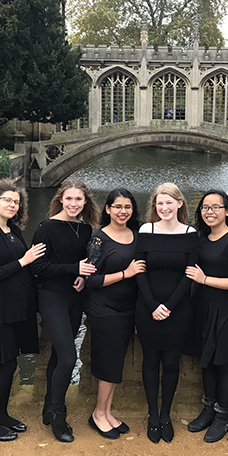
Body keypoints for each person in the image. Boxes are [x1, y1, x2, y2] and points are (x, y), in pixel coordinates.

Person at [0, 180, 45, 442]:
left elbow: (24, 268)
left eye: (16, 202)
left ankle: (1, 414)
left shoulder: (12, 231)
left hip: (18, 307)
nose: (12, 205)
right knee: (4, 365)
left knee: (12, 363)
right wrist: (23, 261)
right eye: (7, 200)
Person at [31, 180, 100, 443]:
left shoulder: (85, 230)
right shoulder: (46, 228)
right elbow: (38, 267)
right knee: (69, 357)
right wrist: (74, 270)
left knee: (59, 356)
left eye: (78, 200)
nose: (73, 204)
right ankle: (59, 415)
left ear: (85, 202)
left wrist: (82, 278)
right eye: (69, 199)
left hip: (74, 298)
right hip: (52, 298)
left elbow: (84, 267)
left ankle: (49, 405)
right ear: (61, 199)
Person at [135, 183, 198, 443]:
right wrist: (152, 305)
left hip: (178, 307)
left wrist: (169, 306)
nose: (164, 208)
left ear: (180, 204)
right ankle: (152, 415)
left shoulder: (190, 233)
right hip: (148, 306)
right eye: (160, 204)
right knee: (150, 360)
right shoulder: (145, 230)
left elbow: (190, 273)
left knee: (172, 362)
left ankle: (165, 415)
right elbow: (140, 270)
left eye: (169, 203)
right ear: (155, 206)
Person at [185, 189, 228, 443]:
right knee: (205, 360)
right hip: (203, 306)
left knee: (223, 362)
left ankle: (224, 415)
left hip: (226, 309)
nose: (210, 212)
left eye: (215, 207)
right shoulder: (199, 239)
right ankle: (208, 408)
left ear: (227, 211)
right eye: (205, 208)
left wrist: (205, 279)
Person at [84, 188, 145, 439]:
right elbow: (90, 280)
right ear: (107, 209)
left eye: (127, 207)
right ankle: (98, 414)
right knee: (108, 361)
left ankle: (107, 412)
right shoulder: (99, 239)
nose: (123, 211)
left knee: (117, 360)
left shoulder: (137, 234)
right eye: (117, 207)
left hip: (128, 308)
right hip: (104, 308)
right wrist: (125, 274)